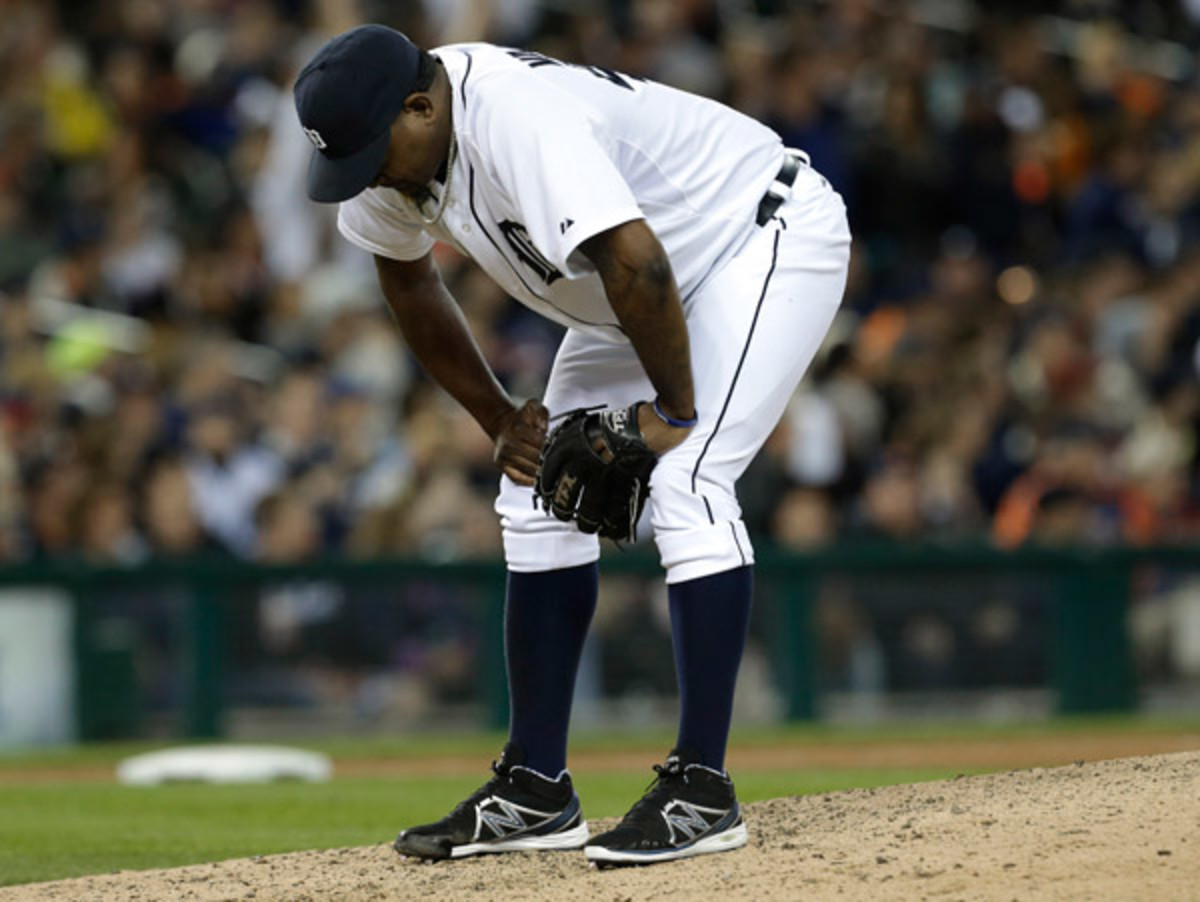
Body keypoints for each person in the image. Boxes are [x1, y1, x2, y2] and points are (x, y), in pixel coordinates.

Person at [294, 24, 850, 866]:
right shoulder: (395, 149)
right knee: (535, 487)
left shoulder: (512, 116)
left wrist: (669, 412)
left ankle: (703, 789)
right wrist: (502, 421)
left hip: (753, 237)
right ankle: (535, 789)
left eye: (373, 150)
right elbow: (408, 280)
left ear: (421, 105)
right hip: (630, 294)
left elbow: (636, 260)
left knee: (690, 479)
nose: (368, 173)